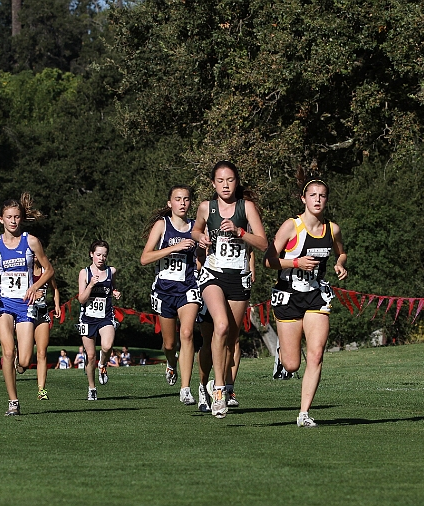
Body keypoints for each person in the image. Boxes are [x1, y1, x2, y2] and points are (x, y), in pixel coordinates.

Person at [264, 178, 347, 427]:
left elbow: (341, 251)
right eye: (313, 195)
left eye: (322, 195)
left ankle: (304, 414)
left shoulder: (332, 229)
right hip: (288, 295)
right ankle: (282, 354)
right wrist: (295, 263)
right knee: (292, 364)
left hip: (316, 295)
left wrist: (340, 263)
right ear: (304, 199)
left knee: (316, 354)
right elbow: (268, 261)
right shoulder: (292, 227)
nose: (318, 199)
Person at [191, 161, 268, 417]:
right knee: (220, 326)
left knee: (230, 337)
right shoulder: (206, 207)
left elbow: (263, 242)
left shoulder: (246, 208)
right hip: (213, 275)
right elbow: (195, 230)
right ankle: (220, 390)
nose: (226, 185)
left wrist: (239, 231)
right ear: (213, 183)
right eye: (221, 181)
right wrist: (199, 238)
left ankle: (217, 382)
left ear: (236, 182)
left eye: (230, 180)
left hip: (239, 278)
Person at [0, 193, 54, 416]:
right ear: (1, 219)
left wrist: (34, 286)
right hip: (4, 303)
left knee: (23, 359)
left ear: (21, 219)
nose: (13, 221)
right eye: (9, 217)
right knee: (7, 351)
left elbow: (49, 270)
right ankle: (13, 401)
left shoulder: (31, 242)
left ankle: (19, 368)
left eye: (16, 217)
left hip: (25, 305)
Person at [140, 185, 201, 406]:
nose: (182, 203)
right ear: (170, 203)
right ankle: (171, 363)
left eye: (186, 199)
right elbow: (145, 258)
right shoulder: (162, 225)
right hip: (165, 289)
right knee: (169, 344)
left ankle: (185, 389)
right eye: (178, 199)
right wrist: (173, 249)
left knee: (187, 333)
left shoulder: (196, 227)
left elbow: (202, 256)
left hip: (189, 287)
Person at [77, 240, 121, 401]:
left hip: (106, 316)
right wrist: (90, 285)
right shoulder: (85, 273)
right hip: (87, 318)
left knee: (107, 345)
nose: (101, 258)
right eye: (98, 255)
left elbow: (113, 286)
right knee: (89, 356)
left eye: (104, 255)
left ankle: (102, 365)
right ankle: (92, 387)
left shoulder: (111, 271)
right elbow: (81, 299)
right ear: (91, 254)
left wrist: (115, 292)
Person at [28, 253, 61, 400]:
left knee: (42, 352)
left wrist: (57, 305)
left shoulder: (46, 271)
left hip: (42, 314)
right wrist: (32, 294)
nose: (35, 255)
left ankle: (42, 391)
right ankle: (20, 363)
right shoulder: (24, 271)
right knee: (25, 358)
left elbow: (55, 288)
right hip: (25, 315)